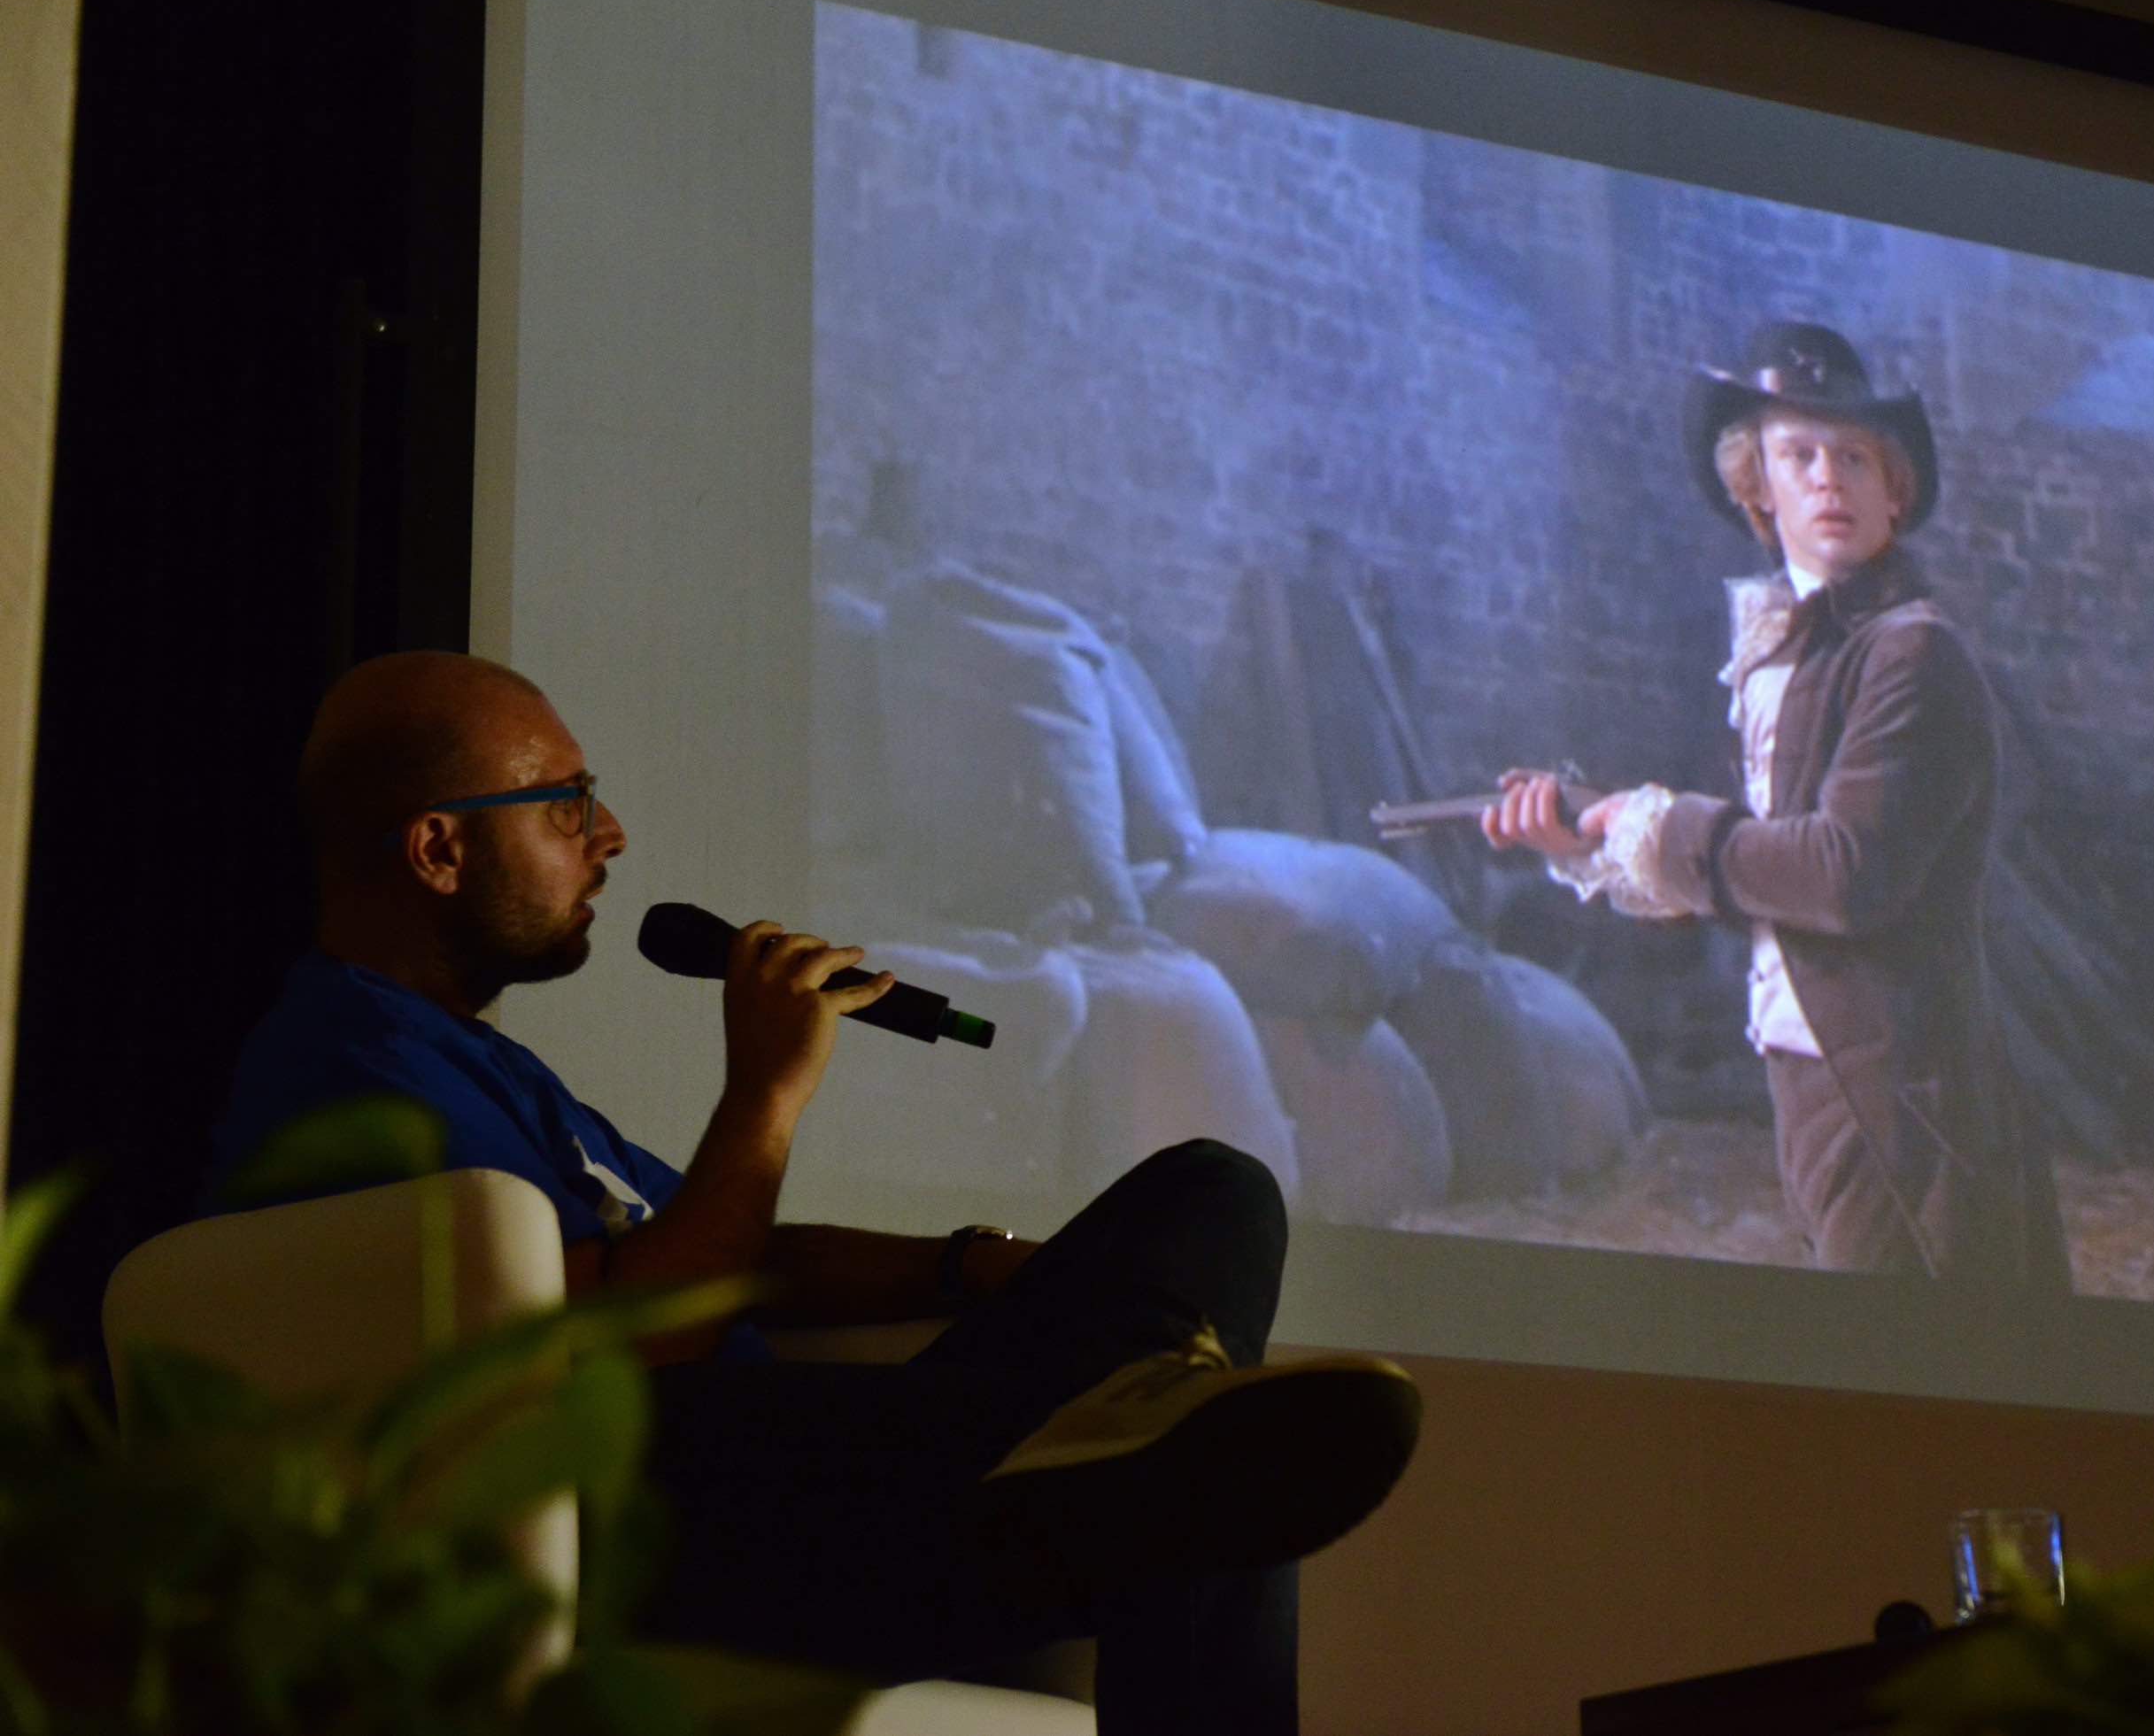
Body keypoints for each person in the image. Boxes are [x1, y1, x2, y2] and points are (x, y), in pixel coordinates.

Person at [208, 651, 1420, 1732]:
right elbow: (650, 1330)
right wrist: (768, 1089)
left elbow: (737, 1256)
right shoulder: (345, 1068)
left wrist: (969, 1264)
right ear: (438, 849)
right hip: (676, 1517)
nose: (609, 833)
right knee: (1231, 1465)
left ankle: (1126, 1432)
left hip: (825, 1476)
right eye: (565, 801)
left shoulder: (486, 1066)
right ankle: (1128, 1441)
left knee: (1212, 1198)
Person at [1485, 321, 2066, 1283]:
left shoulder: (1911, 653)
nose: (1830, 480)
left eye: (1855, 458)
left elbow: (1844, 874)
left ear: (1895, 492)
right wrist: (1591, 839)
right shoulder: (1798, 655)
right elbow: (1762, 880)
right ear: (1757, 489)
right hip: (1818, 1083)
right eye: (1800, 457)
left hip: (1904, 1106)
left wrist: (1659, 827)